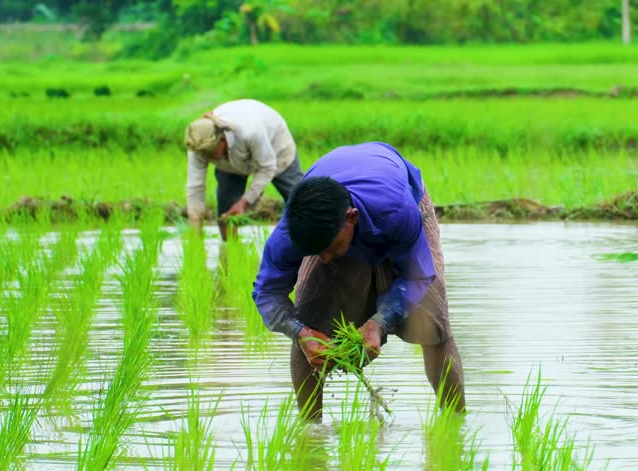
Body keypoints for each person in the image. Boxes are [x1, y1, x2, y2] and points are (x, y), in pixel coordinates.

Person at [252, 141, 466, 421]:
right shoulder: (292, 235)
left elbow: (418, 275)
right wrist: (300, 332)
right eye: (318, 253)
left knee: (433, 325)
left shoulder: (397, 211)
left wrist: (379, 323)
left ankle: (456, 425)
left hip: (403, 199)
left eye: (332, 248)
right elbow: (266, 293)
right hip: (334, 212)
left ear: (351, 218)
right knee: (309, 318)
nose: (326, 260)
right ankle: (311, 429)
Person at [185, 99, 303, 241]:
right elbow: (195, 186)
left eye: (210, 154)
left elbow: (267, 167)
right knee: (226, 212)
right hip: (231, 163)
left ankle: (309, 246)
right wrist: (195, 227)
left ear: (222, 140)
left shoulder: (250, 131)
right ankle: (228, 248)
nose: (207, 159)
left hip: (276, 149)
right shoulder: (198, 145)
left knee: (300, 200)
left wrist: (245, 202)